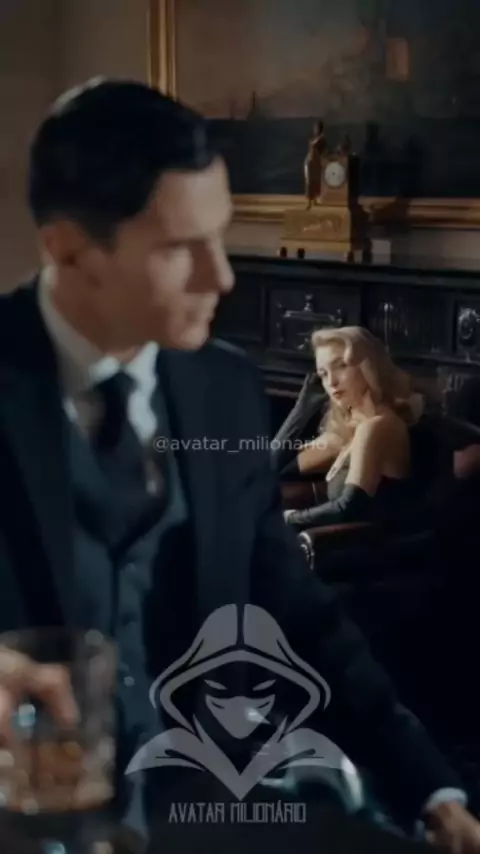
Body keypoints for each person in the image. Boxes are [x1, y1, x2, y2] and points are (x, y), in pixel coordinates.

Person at [0, 78, 479, 853]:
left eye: (218, 236)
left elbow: (300, 610)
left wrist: (428, 784)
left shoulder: (220, 387)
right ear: (67, 247)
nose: (221, 278)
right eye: (177, 248)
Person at [282, 327, 420, 530]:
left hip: (367, 545)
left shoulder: (376, 427)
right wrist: (301, 409)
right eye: (323, 374)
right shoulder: (348, 431)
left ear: (368, 366)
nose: (331, 382)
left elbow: (348, 507)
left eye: (341, 366)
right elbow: (274, 468)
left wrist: (287, 519)